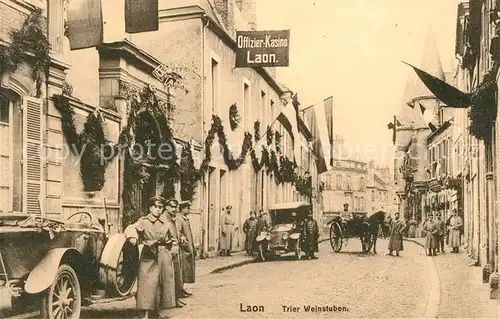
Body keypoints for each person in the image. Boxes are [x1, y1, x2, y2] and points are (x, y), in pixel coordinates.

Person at [124, 196, 178, 319]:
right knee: (147, 285)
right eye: (156, 207)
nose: (159, 210)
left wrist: (173, 250)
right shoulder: (143, 221)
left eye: (161, 207)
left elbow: (174, 240)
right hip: (149, 255)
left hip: (164, 256)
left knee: (162, 285)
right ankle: (144, 313)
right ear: (150, 207)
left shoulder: (166, 223)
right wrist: (133, 237)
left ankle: (157, 312)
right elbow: (130, 228)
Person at [164, 198, 186, 307]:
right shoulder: (163, 219)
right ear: (166, 207)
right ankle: (167, 300)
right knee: (168, 277)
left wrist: (181, 237)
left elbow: (177, 232)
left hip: (175, 251)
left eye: (175, 207)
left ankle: (176, 298)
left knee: (177, 276)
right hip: (166, 251)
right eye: (172, 206)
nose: (174, 209)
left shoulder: (175, 219)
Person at [178, 200, 196, 296]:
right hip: (183, 249)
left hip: (188, 248)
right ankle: (180, 289)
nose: (189, 210)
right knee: (182, 269)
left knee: (186, 269)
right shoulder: (179, 219)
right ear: (182, 209)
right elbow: (178, 232)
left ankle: (182, 288)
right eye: (187, 208)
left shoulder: (185, 219)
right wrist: (184, 243)